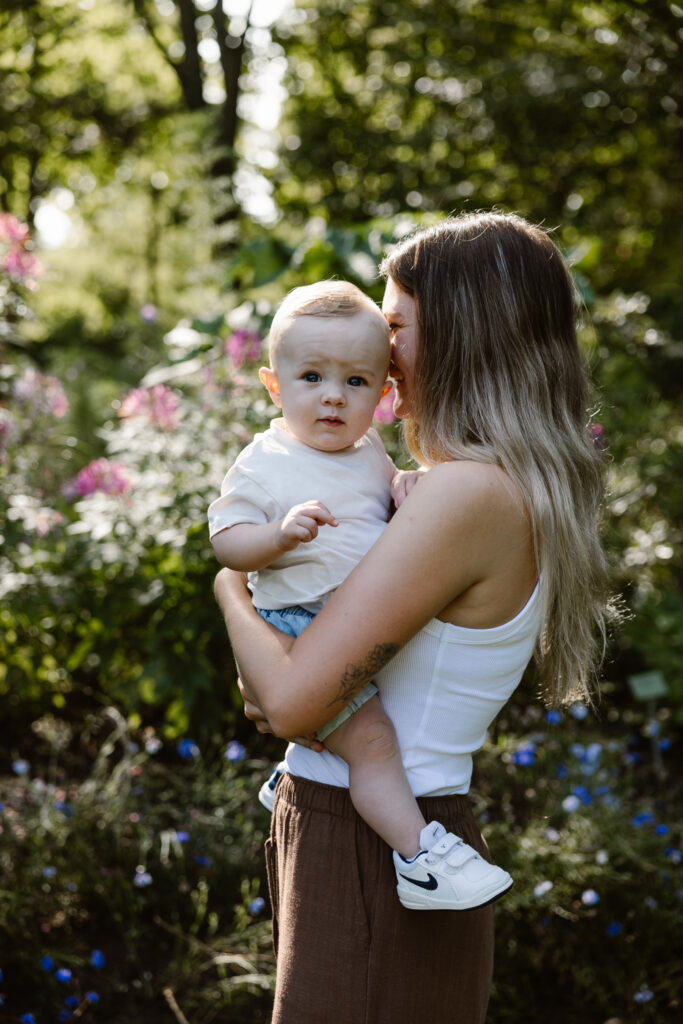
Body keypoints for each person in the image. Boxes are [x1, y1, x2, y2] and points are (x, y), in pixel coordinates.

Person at [213, 212, 610, 1024]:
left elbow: (289, 702)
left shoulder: (467, 496)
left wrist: (227, 589)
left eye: (396, 326)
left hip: (379, 844)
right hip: (370, 826)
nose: (380, 350)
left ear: (464, 337)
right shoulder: (462, 488)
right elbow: (295, 688)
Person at [208, 280, 512, 911]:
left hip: (340, 616)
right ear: (274, 385)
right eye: (312, 376)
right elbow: (228, 545)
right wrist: (276, 536)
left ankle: (291, 770)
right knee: (372, 741)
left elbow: (375, 505)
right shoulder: (265, 461)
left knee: (357, 730)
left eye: (355, 382)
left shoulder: (369, 450)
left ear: (382, 392)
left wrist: (404, 483)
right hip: (298, 617)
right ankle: (421, 859)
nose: (331, 397)